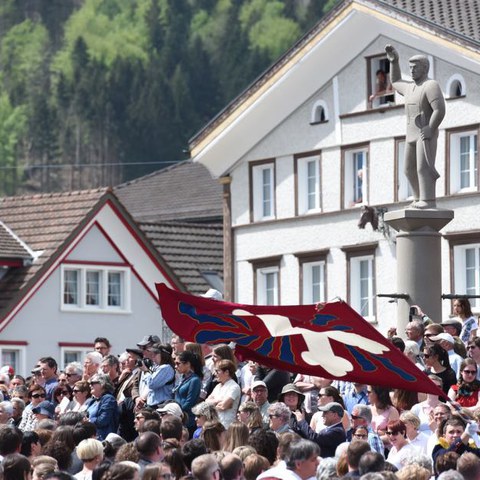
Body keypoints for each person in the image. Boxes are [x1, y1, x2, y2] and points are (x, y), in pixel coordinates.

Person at [385, 44, 446, 209]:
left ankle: (427, 200)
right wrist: (394, 62)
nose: (411, 71)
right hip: (410, 134)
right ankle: (418, 197)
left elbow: (439, 110)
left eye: (415, 67)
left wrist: (430, 128)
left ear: (425, 68)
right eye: (410, 68)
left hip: (424, 133)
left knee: (423, 167)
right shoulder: (410, 87)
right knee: (408, 169)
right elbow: (396, 81)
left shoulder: (430, 85)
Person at [173, 350, 202, 434]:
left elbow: (190, 402)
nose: (175, 366)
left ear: (188, 364)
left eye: (178, 364)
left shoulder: (194, 380)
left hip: (188, 420)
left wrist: (176, 411)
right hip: (179, 417)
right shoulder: (182, 377)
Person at [206, 359, 241, 429]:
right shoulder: (217, 386)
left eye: (217, 371)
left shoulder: (234, 387)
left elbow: (223, 406)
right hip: (215, 424)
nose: (215, 374)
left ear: (227, 372)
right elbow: (206, 402)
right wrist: (218, 401)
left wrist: (212, 404)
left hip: (226, 426)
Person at [85, 374, 119, 441]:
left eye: (92, 383)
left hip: (104, 440)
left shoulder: (108, 399)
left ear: (102, 384)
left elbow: (103, 421)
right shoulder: (92, 401)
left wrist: (89, 421)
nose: (90, 385)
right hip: (92, 438)